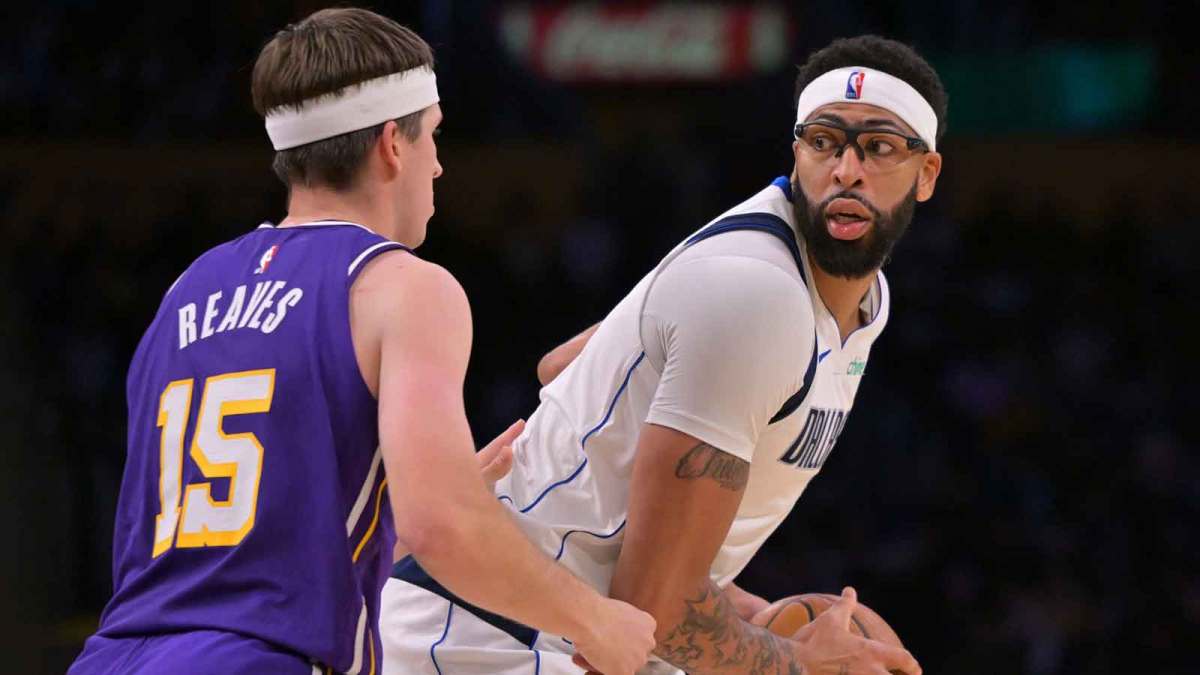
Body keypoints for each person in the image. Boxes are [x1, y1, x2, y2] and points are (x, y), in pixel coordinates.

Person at [67, 8, 655, 675]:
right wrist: (595, 619)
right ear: (391, 144)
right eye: (433, 136)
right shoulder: (400, 286)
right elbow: (444, 529)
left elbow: (222, 549)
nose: (438, 166)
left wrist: (387, 507)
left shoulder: (184, 289)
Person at [381, 35, 943, 675]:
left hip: (587, 633)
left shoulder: (863, 303)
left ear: (926, 174)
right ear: (797, 151)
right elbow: (659, 608)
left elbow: (566, 366)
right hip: (486, 636)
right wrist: (800, 662)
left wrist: (746, 614)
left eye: (879, 148)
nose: (846, 170)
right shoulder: (755, 293)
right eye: (823, 142)